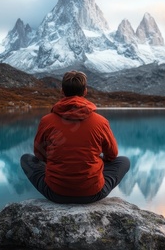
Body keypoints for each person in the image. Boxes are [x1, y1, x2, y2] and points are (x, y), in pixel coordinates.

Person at [21, 71, 130, 204]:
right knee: (123, 161)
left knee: (26, 159)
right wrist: (96, 160)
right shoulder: (101, 121)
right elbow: (112, 155)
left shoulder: (47, 120)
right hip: (93, 193)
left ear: (62, 91)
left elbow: (39, 155)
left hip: (55, 193)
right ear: (85, 91)